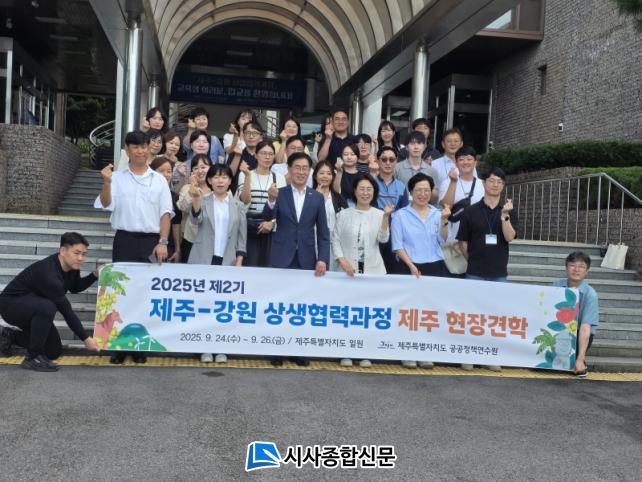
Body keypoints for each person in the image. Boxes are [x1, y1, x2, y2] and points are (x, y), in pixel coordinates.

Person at [94, 130, 174, 364]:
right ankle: (118, 347)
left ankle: (139, 345)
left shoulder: (158, 180)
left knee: (144, 294)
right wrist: (107, 182)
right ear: (127, 150)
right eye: (135, 147)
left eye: (143, 146)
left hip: (150, 242)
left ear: (149, 148)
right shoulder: (117, 178)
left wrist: (163, 242)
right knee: (120, 294)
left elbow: (165, 213)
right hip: (125, 240)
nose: (140, 151)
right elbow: (106, 204)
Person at [263, 152, 330, 367]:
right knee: (279, 305)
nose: (301, 172)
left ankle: (298, 349)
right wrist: (271, 200)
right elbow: (267, 217)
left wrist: (323, 259)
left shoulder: (316, 197)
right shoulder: (279, 193)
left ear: (309, 172)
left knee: (301, 307)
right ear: (289, 170)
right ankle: (276, 350)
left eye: (305, 168)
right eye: (297, 167)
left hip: (306, 259)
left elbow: (323, 233)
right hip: (282, 257)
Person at [0, 232, 101, 372]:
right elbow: (66, 311)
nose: (81, 258)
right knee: (48, 306)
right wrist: (86, 339)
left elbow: (75, 287)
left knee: (53, 350)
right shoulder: (48, 273)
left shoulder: (71, 266)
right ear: (63, 251)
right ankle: (32, 358)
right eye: (77, 253)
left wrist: (94, 275)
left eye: (84, 254)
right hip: (11, 306)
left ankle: (9, 335)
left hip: (33, 308)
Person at [456, 166, 518, 373]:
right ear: (483, 183)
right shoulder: (471, 211)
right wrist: (473, 259)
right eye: (491, 181)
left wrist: (505, 216)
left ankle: (490, 356)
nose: (495, 185)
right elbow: (462, 242)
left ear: (503, 186)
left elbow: (510, 237)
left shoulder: (509, 210)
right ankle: (468, 355)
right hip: (475, 271)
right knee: (471, 315)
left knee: (494, 316)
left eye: (499, 182)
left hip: (498, 273)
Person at [188, 164, 247, 364]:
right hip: (204, 259)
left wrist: (240, 258)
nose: (220, 181)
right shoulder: (203, 200)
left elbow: (242, 236)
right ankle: (204, 346)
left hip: (228, 261)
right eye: (216, 177)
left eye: (224, 177)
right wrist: (196, 198)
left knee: (224, 307)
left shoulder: (238, 205)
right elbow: (195, 221)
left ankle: (221, 346)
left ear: (230, 181)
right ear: (210, 181)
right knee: (204, 305)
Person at [332, 174, 392, 369]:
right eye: (362, 189)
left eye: (369, 189)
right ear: (355, 191)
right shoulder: (343, 214)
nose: (365, 193)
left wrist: (385, 218)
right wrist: (342, 260)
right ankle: (346, 351)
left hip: (372, 273)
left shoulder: (379, 214)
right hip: (347, 273)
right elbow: (335, 239)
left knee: (367, 315)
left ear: (374, 192)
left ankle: (365, 351)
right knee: (347, 314)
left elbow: (383, 239)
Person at [392, 173, 450, 370]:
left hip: (435, 266)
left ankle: (425, 352)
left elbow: (443, 239)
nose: (423, 194)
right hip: (409, 266)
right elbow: (397, 245)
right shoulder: (400, 215)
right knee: (409, 312)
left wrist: (444, 221)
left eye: (427, 190)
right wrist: (411, 266)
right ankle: (407, 352)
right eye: (419, 190)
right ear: (411, 192)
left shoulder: (438, 213)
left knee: (429, 312)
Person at [237, 141, 287, 267]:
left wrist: (272, 223)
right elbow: (244, 200)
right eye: (263, 153)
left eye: (270, 154)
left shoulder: (279, 178)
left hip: (271, 229)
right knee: (250, 267)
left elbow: (282, 207)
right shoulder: (244, 174)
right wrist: (247, 176)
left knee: (269, 268)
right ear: (256, 155)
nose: (267, 157)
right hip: (248, 228)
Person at [552, 252, 600, 377]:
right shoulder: (556, 286)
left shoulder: (590, 294)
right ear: (566, 268)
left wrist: (580, 358)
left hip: (579, 333)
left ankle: (580, 361)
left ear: (587, 271)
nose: (576, 269)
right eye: (572, 265)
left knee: (572, 365)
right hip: (558, 331)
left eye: (581, 266)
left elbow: (585, 327)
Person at [439, 146, 484, 242]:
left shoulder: (483, 184)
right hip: (453, 239)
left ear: (475, 163)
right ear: (456, 163)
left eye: (469, 159)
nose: (465, 162)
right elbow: (446, 207)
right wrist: (453, 182)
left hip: (478, 238)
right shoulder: (446, 183)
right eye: (461, 159)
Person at [375, 146, 409, 274]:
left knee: (393, 272)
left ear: (396, 162)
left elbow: (404, 214)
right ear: (378, 161)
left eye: (391, 159)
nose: (388, 163)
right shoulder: (370, 183)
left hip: (394, 235)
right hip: (374, 233)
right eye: (384, 159)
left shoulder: (401, 186)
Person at [177, 154, 212, 262]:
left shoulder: (219, 188)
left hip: (212, 239)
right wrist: (192, 189)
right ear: (192, 172)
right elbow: (183, 207)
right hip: (191, 239)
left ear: (211, 168)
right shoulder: (186, 188)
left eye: (203, 167)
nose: (200, 171)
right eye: (196, 168)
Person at [313, 160, 347, 271]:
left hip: (334, 243)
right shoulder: (308, 195)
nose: (325, 176)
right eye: (321, 173)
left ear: (332, 177)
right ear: (315, 176)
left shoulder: (338, 198)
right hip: (313, 241)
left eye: (328, 173)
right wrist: (317, 199)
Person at [151, 156, 182, 262]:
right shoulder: (147, 193)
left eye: (169, 171)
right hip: (149, 240)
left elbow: (176, 224)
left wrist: (177, 249)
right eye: (161, 171)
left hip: (168, 245)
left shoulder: (174, 196)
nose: (166, 174)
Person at [394, 131, 440, 204]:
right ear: (406, 147)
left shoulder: (432, 171)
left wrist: (429, 182)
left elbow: (434, 200)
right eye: (412, 143)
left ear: (424, 147)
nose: (416, 147)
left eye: (419, 143)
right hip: (402, 208)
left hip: (424, 209)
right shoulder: (396, 168)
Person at [227, 120, 263, 194]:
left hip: (259, 194)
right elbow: (228, 175)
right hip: (237, 196)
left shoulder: (265, 155)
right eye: (248, 133)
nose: (251, 136)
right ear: (243, 136)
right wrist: (237, 156)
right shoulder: (236, 153)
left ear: (261, 137)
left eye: (255, 133)